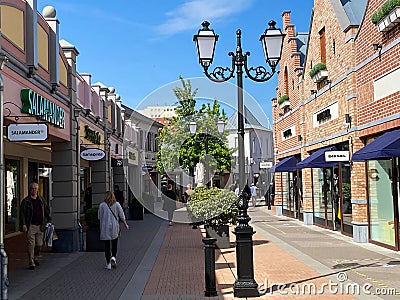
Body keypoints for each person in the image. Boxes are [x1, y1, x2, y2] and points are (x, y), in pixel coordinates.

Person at [20, 182, 51, 270]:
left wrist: (49, 219)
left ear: (37, 189)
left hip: (40, 225)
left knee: (39, 244)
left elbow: (46, 209)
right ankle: (31, 261)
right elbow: (22, 213)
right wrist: (24, 224)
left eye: (35, 188)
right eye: (32, 188)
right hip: (31, 225)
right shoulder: (26, 201)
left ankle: (35, 256)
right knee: (31, 244)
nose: (34, 190)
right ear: (30, 190)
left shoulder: (41, 200)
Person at [98, 191, 129, 270]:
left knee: (107, 246)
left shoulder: (102, 205)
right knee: (114, 243)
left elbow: (99, 217)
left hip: (105, 227)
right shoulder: (117, 204)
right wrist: (125, 224)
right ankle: (114, 257)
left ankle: (108, 263)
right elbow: (122, 215)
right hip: (115, 226)